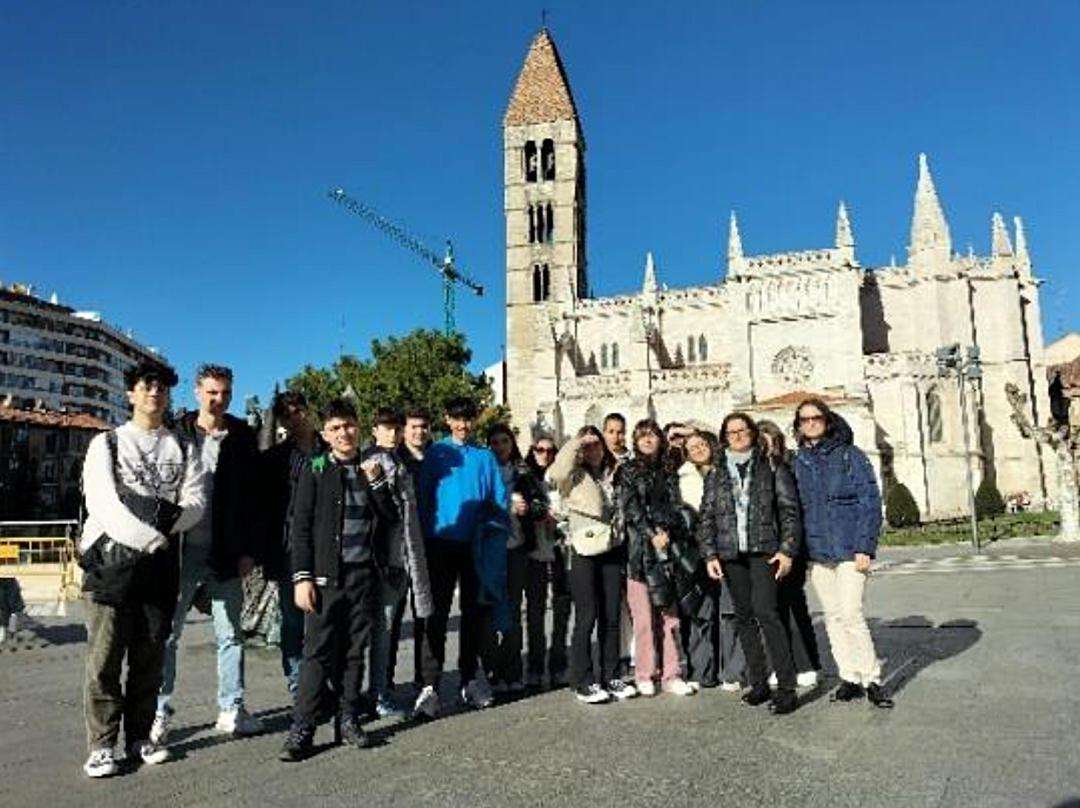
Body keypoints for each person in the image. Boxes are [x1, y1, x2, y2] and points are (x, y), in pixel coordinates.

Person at [79, 360, 205, 777]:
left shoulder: (184, 446)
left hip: (161, 568)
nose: (155, 393)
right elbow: (103, 503)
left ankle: (138, 737)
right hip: (112, 564)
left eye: (163, 388)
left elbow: (196, 502)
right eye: (146, 386)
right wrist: (150, 537)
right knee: (105, 660)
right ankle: (101, 745)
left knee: (150, 658)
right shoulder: (107, 443)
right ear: (131, 393)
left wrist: (167, 528)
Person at [280, 398, 400, 761]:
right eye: (335, 428)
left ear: (357, 427)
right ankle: (303, 726)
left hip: (362, 574)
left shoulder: (371, 466)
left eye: (348, 425)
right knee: (316, 652)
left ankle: (347, 719)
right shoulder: (315, 467)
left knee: (353, 651)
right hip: (323, 578)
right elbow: (299, 528)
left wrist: (378, 485)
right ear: (326, 434)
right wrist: (302, 579)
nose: (343, 433)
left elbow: (390, 517)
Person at [153, 365, 263, 746]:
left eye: (226, 393)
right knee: (168, 635)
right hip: (180, 552)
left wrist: (249, 550)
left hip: (226, 552)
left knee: (231, 633)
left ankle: (232, 709)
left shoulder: (243, 436)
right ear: (198, 392)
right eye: (213, 392)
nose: (219, 400)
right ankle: (159, 713)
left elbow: (253, 499)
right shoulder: (177, 432)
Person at [696, 412, 802, 715]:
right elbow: (706, 516)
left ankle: (786, 687)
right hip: (731, 554)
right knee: (743, 616)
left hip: (764, 550)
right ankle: (758, 683)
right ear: (724, 438)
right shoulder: (716, 473)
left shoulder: (770, 465)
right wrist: (709, 554)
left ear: (753, 433)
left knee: (767, 613)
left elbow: (789, 510)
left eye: (742, 430)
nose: (738, 436)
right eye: (731, 432)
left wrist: (787, 551)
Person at [792, 398, 894, 708]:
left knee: (851, 614)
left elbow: (870, 502)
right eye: (804, 420)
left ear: (827, 420)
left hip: (851, 550)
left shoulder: (851, 456)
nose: (810, 423)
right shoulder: (799, 461)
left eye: (815, 418)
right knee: (834, 617)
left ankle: (871, 677)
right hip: (819, 552)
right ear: (798, 427)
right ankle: (848, 676)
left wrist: (865, 546)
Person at [414, 397, 508, 718]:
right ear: (447, 419)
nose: (463, 425)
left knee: (473, 614)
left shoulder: (484, 457)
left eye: (468, 419)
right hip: (440, 543)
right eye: (457, 419)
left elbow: (498, 499)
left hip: (474, 546)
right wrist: (425, 540)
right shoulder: (436, 453)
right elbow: (423, 499)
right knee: (436, 616)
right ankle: (430, 684)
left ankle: (469, 677)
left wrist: (492, 528)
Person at [547, 425, 636, 704]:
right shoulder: (572, 476)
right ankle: (582, 680)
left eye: (596, 444)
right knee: (587, 616)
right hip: (582, 549)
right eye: (587, 446)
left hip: (611, 547)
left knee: (611, 616)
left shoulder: (614, 472)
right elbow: (557, 471)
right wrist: (576, 442)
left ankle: (611, 675)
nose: (592, 450)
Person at [361, 407, 433, 718]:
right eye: (385, 428)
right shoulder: (374, 460)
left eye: (395, 428)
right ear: (374, 429)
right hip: (385, 559)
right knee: (382, 630)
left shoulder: (394, 460)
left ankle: (381, 689)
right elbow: (387, 514)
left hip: (400, 556)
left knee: (386, 630)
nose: (392, 433)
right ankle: (377, 694)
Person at [617, 419, 697, 697]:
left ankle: (672, 672)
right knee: (643, 617)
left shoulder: (668, 469)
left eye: (652, 435)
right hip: (640, 553)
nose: (648, 440)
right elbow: (631, 508)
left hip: (668, 548)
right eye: (642, 437)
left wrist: (670, 529)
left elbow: (676, 504)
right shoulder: (627, 470)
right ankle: (644, 672)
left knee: (670, 614)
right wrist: (652, 533)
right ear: (635, 441)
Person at [260, 390, 324, 698]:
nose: (296, 416)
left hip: (328, 546)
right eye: (288, 413)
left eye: (300, 409)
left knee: (325, 617)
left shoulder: (329, 449)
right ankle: (298, 679)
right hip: (290, 548)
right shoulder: (274, 459)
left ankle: (323, 679)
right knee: (293, 618)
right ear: (282, 420)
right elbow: (267, 510)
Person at [676, 430, 745, 691]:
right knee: (701, 613)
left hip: (727, 550)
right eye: (692, 447)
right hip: (696, 553)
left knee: (729, 612)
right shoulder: (681, 478)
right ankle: (702, 670)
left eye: (702, 444)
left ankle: (733, 671)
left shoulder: (727, 470)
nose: (698, 450)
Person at [757, 419, 822, 689]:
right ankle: (787, 664)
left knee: (793, 607)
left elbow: (793, 511)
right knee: (776, 610)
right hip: (767, 548)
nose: (767, 446)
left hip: (788, 546)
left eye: (770, 440)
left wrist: (791, 548)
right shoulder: (757, 470)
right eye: (761, 441)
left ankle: (806, 664)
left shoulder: (787, 466)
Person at [487, 423, 551, 693]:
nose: (501, 447)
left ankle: (512, 670)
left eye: (505, 441)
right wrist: (506, 502)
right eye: (495, 442)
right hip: (490, 547)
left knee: (513, 610)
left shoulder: (522, 471)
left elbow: (538, 503)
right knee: (492, 611)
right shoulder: (485, 470)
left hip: (517, 547)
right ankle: (493, 670)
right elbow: (479, 502)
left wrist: (530, 507)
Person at [526, 435, 570, 687]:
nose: (544, 454)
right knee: (535, 610)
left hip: (562, 548)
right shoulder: (526, 478)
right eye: (539, 450)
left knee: (563, 609)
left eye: (550, 450)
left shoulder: (563, 478)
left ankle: (558, 663)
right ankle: (534, 665)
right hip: (535, 551)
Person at [393, 406, 432, 689]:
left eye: (423, 426)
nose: (419, 431)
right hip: (398, 547)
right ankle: (384, 685)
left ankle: (425, 679)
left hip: (430, 544)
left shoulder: (437, 457)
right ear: (404, 430)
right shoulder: (394, 459)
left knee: (426, 616)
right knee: (392, 618)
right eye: (413, 426)